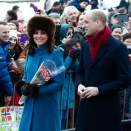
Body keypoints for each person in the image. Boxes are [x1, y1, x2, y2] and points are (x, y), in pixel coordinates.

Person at [75, 10, 131, 131]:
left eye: (86, 22)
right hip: (86, 109)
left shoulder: (118, 47)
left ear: (98, 22)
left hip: (107, 111)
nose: (82, 25)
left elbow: (125, 79)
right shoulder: (85, 45)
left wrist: (99, 90)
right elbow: (80, 72)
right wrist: (79, 85)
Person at [15, 15, 65, 131]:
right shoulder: (30, 53)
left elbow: (59, 84)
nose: (39, 36)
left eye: (43, 32)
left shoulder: (55, 54)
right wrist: (23, 86)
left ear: (49, 35)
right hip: (29, 104)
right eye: (36, 32)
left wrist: (37, 91)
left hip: (46, 105)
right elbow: (27, 77)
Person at [0, 21, 14, 106]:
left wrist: (9, 64)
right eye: (4, 32)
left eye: (8, 32)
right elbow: (3, 73)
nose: (7, 34)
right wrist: (9, 92)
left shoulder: (4, 46)